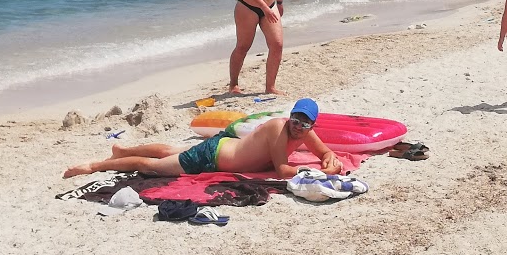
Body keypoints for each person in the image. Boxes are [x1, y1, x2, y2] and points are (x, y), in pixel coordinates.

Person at [63, 98, 340, 179]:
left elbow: (325, 153)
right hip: (213, 157)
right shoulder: (280, 129)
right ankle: (97, 165)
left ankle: (122, 150)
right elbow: (282, 171)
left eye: (304, 124)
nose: (298, 127)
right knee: (151, 167)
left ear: (311, 124)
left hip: (223, 145)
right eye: (295, 119)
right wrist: (317, 172)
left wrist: (329, 159)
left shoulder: (305, 132)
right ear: (289, 116)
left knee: (170, 150)